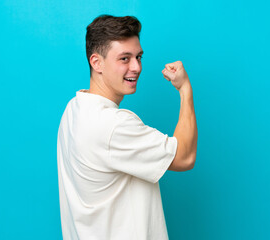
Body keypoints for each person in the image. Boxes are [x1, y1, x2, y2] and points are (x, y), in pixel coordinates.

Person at [57, 15, 198, 240]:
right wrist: (185, 89)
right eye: (124, 58)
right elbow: (185, 157)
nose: (136, 67)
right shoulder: (113, 125)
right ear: (97, 62)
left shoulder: (74, 108)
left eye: (138, 57)